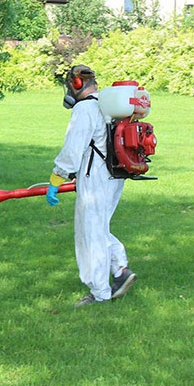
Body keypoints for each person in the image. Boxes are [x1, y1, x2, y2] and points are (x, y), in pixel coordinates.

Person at [46, 65, 136, 306]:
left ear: (76, 85)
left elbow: (72, 150)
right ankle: (120, 270)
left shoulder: (85, 108)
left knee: (90, 234)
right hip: (115, 175)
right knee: (98, 227)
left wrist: (56, 179)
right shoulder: (109, 105)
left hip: (96, 178)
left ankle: (100, 293)